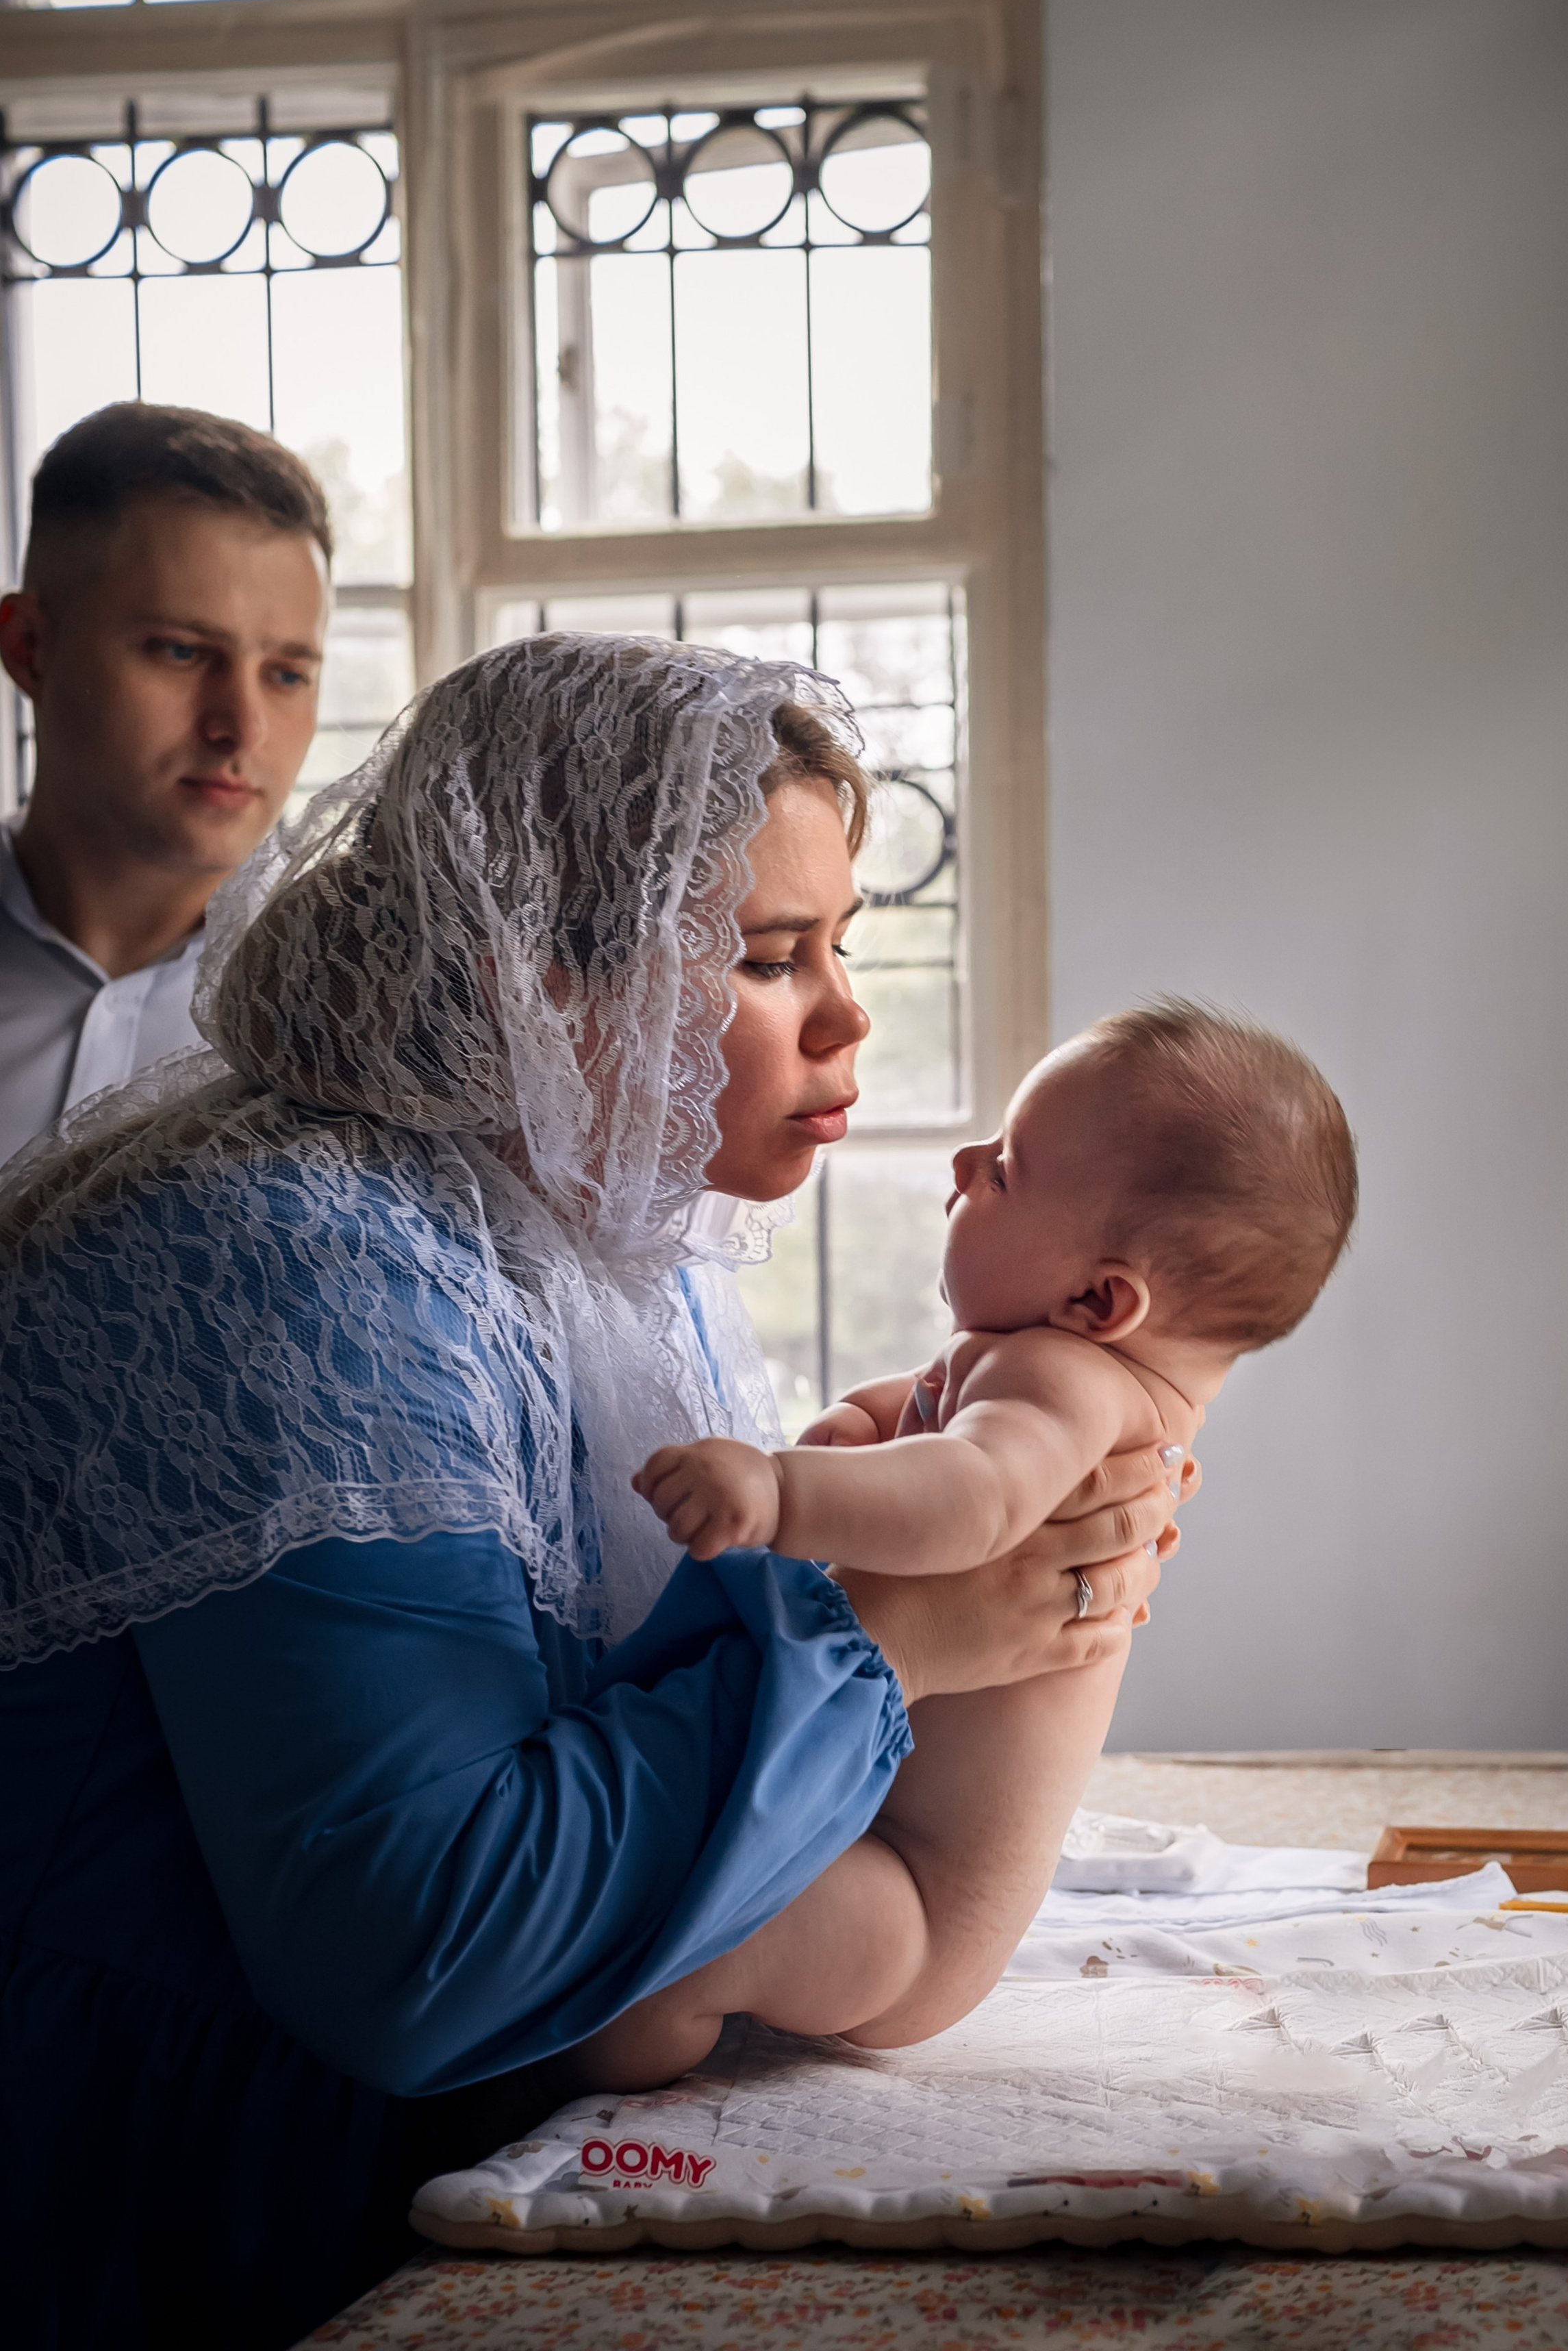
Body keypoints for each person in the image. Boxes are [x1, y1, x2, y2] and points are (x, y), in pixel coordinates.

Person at [0, 633, 1179, 2351]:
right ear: (527, 971)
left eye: (840, 944)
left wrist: (878, 1524)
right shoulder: (297, 1257)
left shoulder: (601, 1243)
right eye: (774, 956)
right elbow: (416, 1954)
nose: (848, 1014)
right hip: (162, 2205)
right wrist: (883, 1633)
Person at [597, 1002, 1356, 2087]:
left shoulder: (1067, 1381)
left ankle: (639, 2125)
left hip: (908, 1897)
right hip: (864, 1841)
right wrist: (865, 1429)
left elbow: (977, 1496)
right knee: (671, 1935)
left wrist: (780, 1489)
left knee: (650, 1980)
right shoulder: (1064, 1369)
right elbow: (926, 1425)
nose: (965, 1161)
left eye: (1004, 1167)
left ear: (1102, 1298)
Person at [0, 401, 330, 1167]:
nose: (242, 727)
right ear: (30, 647)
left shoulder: (359, 1013)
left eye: (286, 673)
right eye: (182, 653)